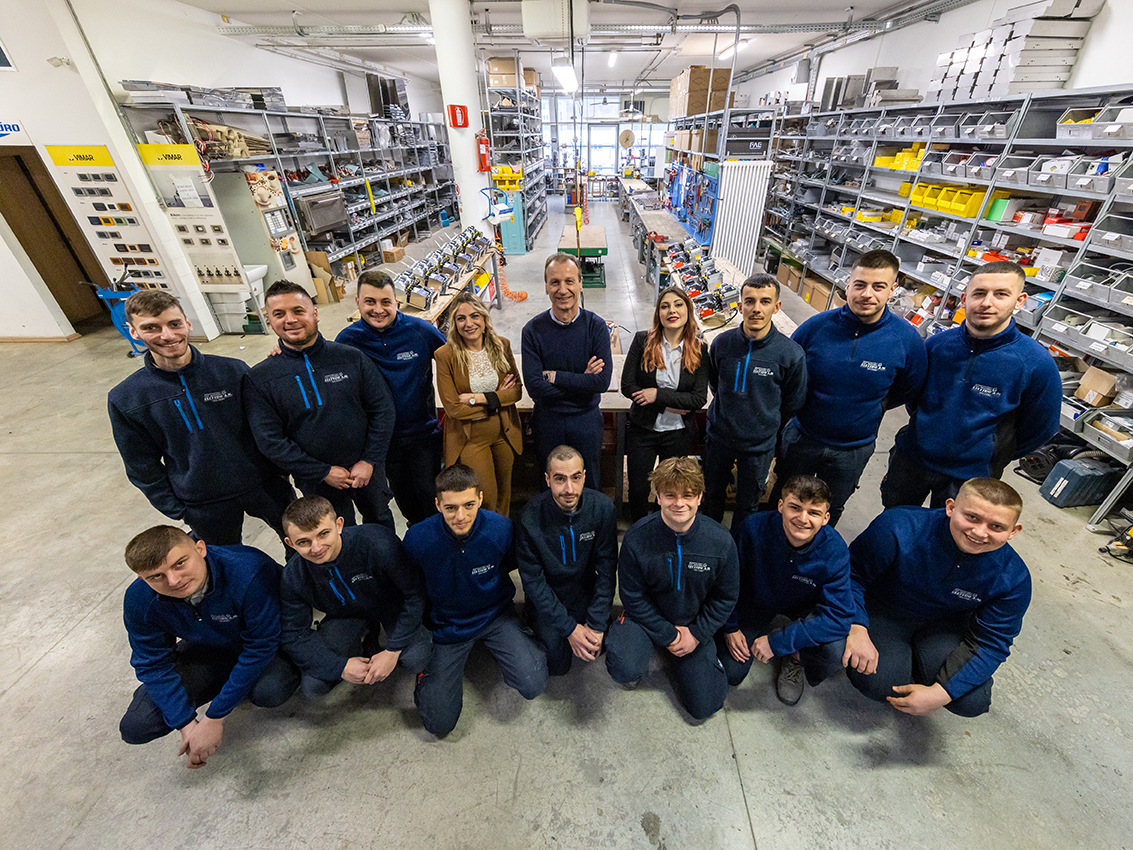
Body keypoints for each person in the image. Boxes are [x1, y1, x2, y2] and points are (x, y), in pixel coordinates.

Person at [108, 290, 295, 545]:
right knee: (224, 561)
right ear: (133, 332)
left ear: (188, 323)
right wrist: (179, 510)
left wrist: (281, 471)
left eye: (174, 324)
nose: (167, 335)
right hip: (202, 503)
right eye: (151, 328)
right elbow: (140, 465)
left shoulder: (233, 371)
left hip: (266, 485)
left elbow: (270, 425)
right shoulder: (127, 398)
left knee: (301, 546)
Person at [881, 261, 1061, 509]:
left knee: (951, 529)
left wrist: (993, 451)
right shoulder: (936, 346)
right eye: (979, 293)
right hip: (912, 459)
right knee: (895, 517)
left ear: (1019, 301)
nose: (987, 303)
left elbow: (1040, 428)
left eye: (1001, 294)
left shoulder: (1035, 363)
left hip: (971, 476)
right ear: (964, 299)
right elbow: (913, 397)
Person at [844, 478, 1030, 717]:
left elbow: (992, 641)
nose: (979, 532)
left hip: (944, 626)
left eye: (996, 526)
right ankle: (905, 665)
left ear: (1014, 531)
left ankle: (922, 667)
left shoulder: (1013, 577)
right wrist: (856, 627)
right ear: (950, 507)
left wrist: (941, 693)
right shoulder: (898, 527)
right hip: (884, 612)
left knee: (971, 702)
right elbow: (850, 576)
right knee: (880, 684)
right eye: (972, 517)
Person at [118, 525, 298, 768]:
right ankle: (232, 686)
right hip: (209, 648)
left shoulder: (248, 571)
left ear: (200, 549)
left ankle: (240, 687)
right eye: (156, 576)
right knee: (137, 725)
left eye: (180, 564)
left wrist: (215, 717)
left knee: (270, 689)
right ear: (142, 578)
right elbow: (153, 664)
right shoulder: (139, 599)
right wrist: (186, 724)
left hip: (268, 645)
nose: (173, 580)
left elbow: (261, 646)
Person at [770, 250, 927, 526]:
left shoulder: (906, 340)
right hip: (803, 437)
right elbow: (790, 374)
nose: (867, 294)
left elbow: (908, 388)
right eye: (860, 285)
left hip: (853, 449)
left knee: (831, 507)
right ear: (847, 285)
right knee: (784, 497)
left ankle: (818, 549)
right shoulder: (815, 328)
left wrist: (868, 406)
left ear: (892, 290)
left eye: (878, 287)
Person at [405, 464, 548, 737]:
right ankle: (427, 676)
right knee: (439, 724)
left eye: (469, 505)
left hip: (495, 615)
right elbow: (412, 589)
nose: (461, 516)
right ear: (437, 504)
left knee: (533, 683)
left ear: (480, 499)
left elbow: (513, 565)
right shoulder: (418, 540)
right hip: (448, 626)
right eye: (451, 508)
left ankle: (519, 641)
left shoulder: (501, 529)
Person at [246, 281, 396, 530]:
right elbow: (270, 440)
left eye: (298, 311)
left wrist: (370, 460)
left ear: (315, 313)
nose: (290, 320)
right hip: (316, 480)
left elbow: (383, 409)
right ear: (269, 321)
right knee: (334, 534)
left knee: (380, 522)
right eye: (279, 314)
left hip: (367, 470)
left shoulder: (351, 358)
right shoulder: (260, 378)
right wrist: (322, 472)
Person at [606, 457, 739, 722]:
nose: (679, 503)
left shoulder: (721, 542)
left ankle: (683, 657)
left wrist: (697, 634)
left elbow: (726, 597)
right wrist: (668, 635)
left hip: (693, 623)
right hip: (644, 620)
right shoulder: (637, 538)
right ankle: (647, 647)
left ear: (700, 497)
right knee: (623, 669)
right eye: (670, 495)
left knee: (706, 705)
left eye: (687, 495)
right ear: (658, 497)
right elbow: (632, 596)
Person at [718, 475, 854, 706]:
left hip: (804, 606)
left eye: (814, 512)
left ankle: (797, 657)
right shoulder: (752, 529)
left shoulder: (835, 550)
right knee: (732, 672)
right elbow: (723, 579)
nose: (803, 519)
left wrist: (780, 641)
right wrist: (730, 626)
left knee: (834, 651)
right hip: (756, 601)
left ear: (826, 518)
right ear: (781, 506)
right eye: (795, 508)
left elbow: (839, 616)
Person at [279, 496, 432, 698]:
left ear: (339, 525)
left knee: (416, 658)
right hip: (344, 615)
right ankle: (364, 638)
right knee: (314, 686)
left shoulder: (378, 543)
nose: (316, 548)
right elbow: (293, 633)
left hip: (391, 605)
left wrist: (392, 651)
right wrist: (341, 667)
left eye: (323, 534)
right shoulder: (293, 576)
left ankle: (376, 641)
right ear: (290, 543)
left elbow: (415, 594)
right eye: (303, 542)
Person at [335, 270, 447, 525]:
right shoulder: (348, 341)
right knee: (405, 500)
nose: (378, 309)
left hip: (423, 434)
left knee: (432, 498)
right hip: (382, 442)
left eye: (385, 302)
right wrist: (283, 351)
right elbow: (320, 362)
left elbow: (457, 355)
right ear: (358, 302)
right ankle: (417, 536)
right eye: (370, 302)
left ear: (396, 302)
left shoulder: (420, 331)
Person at [703, 274, 807, 530]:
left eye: (765, 301)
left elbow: (792, 402)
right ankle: (711, 541)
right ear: (740, 306)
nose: (756, 309)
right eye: (749, 301)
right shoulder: (722, 344)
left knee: (748, 504)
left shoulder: (790, 354)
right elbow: (715, 383)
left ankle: (742, 545)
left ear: (776, 307)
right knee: (712, 495)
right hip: (719, 438)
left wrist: (763, 422)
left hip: (758, 447)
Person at [516, 445, 618, 676]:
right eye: (560, 479)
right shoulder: (529, 517)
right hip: (550, 597)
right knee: (557, 665)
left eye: (575, 478)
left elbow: (606, 571)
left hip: (584, 592)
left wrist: (596, 624)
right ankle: (531, 623)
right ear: (547, 479)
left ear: (584, 476)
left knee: (599, 647)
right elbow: (533, 582)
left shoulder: (602, 509)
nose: (569, 489)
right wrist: (570, 629)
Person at [521, 252, 613, 490]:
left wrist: (554, 376)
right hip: (548, 420)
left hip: (586, 420)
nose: (563, 290)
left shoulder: (596, 327)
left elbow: (601, 382)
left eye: (569, 281)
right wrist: (583, 380)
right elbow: (534, 387)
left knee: (588, 482)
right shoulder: (532, 331)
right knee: (550, 484)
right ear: (546, 287)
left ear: (580, 284)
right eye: (555, 282)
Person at [621, 286, 709, 522]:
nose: (672, 311)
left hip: (678, 434)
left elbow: (698, 399)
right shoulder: (642, 341)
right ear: (658, 313)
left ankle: (663, 526)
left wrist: (657, 395)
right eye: (665, 306)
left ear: (688, 311)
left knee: (670, 490)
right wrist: (670, 405)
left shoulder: (699, 349)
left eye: (678, 305)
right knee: (638, 489)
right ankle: (640, 527)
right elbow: (628, 385)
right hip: (643, 430)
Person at [435, 292, 523, 515]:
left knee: (505, 496)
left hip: (504, 433)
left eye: (475, 316)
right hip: (471, 440)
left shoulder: (502, 346)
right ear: (454, 324)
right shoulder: (446, 355)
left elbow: (516, 391)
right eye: (461, 318)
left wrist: (479, 398)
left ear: (484, 318)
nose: (469, 323)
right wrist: (498, 399)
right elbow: (454, 408)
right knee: (486, 499)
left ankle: (502, 534)